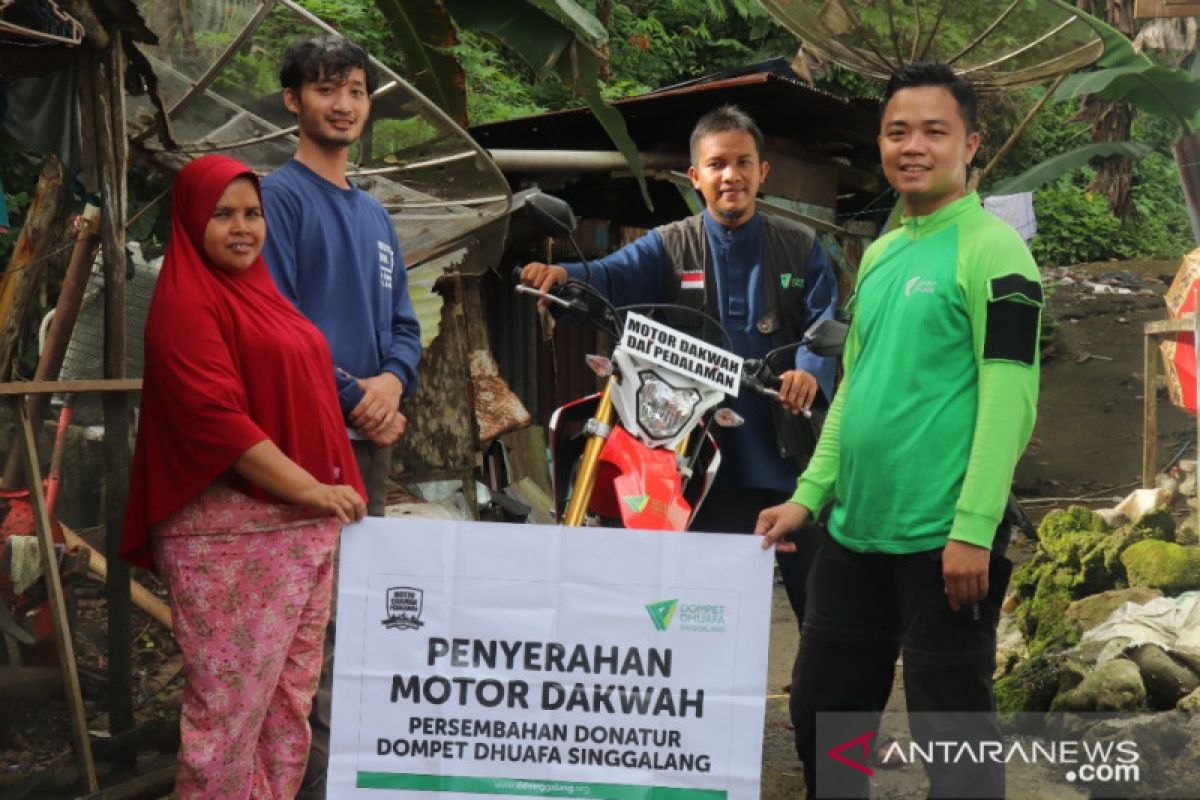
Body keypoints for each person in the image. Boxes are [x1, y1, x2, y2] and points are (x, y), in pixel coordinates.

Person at [756, 62, 1042, 799]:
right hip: (855, 537)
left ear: (970, 145)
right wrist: (810, 495)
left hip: (942, 543)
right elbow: (855, 389)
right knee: (828, 713)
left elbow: (1010, 397)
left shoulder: (995, 251)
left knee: (954, 736)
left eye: (934, 131)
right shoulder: (881, 256)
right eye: (897, 131)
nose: (913, 145)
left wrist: (975, 527)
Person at [520, 104, 838, 621]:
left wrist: (807, 371)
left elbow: (825, 319)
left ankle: (822, 701)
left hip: (780, 459)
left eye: (742, 162)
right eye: (716, 165)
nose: (730, 175)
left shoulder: (800, 247)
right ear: (695, 176)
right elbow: (610, 274)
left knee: (820, 613)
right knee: (689, 609)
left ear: (763, 172)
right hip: (688, 461)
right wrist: (562, 275)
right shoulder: (670, 245)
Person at [121, 154, 367, 797]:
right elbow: (216, 422)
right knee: (229, 719)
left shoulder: (261, 294)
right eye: (222, 214)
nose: (242, 228)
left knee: (287, 712)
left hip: (297, 530)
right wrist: (313, 488)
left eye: (252, 214)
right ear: (190, 221)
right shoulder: (184, 305)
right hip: (228, 537)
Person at [258, 34, 422, 797]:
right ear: (294, 100)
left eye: (356, 89)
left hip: (370, 448)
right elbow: (276, 323)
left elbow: (404, 326)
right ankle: (299, 780)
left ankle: (344, 776)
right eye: (326, 89)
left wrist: (393, 381)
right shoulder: (276, 199)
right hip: (301, 447)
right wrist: (359, 397)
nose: (344, 103)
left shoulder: (377, 217)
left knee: (355, 616)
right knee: (299, 625)